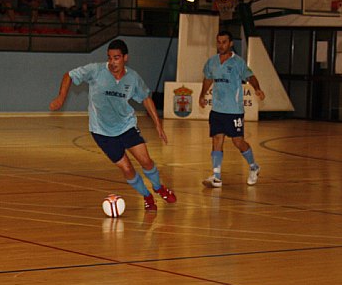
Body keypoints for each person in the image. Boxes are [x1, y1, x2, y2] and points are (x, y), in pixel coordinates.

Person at [50, 39, 177, 211]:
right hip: (102, 132)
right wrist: (61, 97)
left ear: (125, 58)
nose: (112, 62)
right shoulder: (96, 70)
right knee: (127, 168)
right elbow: (69, 75)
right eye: (109, 58)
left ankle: (158, 187)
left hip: (126, 126)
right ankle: (147, 196)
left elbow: (146, 98)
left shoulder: (133, 77)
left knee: (146, 161)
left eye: (116, 58)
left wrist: (158, 124)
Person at [198, 30, 265, 188]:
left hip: (234, 110)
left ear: (231, 43)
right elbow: (208, 79)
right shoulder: (212, 62)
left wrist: (257, 88)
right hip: (217, 109)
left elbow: (250, 76)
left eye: (224, 42)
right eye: (219, 42)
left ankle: (254, 167)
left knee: (238, 141)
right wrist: (202, 95)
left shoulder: (238, 63)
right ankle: (216, 176)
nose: (221, 45)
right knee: (216, 139)